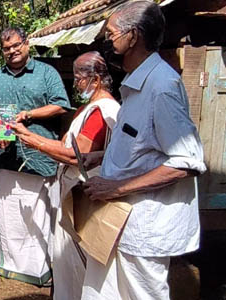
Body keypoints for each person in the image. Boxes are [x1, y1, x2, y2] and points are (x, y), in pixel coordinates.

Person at [81, 2, 206, 299]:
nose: (108, 42)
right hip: (119, 225)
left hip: (144, 230)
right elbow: (144, 147)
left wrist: (116, 188)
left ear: (133, 36)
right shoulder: (137, 85)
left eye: (111, 35)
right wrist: (101, 157)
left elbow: (186, 162)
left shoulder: (161, 87)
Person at [12, 51, 120, 299]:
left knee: (81, 262)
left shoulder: (101, 111)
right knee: (67, 259)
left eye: (79, 78)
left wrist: (33, 141)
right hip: (74, 192)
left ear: (95, 79)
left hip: (85, 197)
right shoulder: (88, 108)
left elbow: (75, 155)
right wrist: (31, 137)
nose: (75, 84)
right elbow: (65, 146)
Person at [0, 27, 71, 285]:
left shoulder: (46, 73)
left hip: (38, 155)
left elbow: (61, 104)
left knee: (36, 213)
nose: (12, 51)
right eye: (7, 48)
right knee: (6, 213)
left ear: (27, 44)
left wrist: (28, 115)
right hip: (3, 154)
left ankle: (38, 266)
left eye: (16, 45)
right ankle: (5, 261)